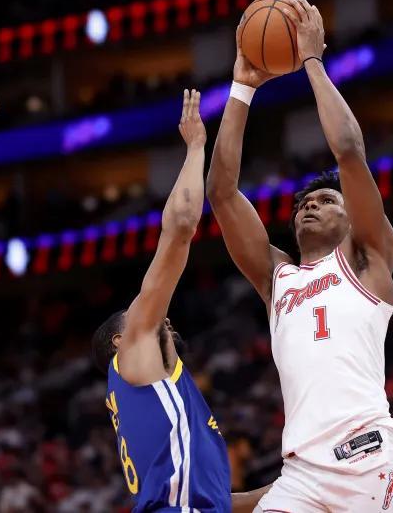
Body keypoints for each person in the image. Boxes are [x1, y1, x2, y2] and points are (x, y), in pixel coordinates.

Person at [207, 0, 393, 513]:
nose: (310, 206)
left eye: (327, 201)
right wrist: (242, 88)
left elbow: (348, 150)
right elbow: (221, 193)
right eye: (304, 203)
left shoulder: (368, 258)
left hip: (372, 457)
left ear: (352, 217)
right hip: (301, 475)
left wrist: (311, 62)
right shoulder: (276, 278)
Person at [92, 90, 268, 513]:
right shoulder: (134, 352)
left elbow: (214, 502)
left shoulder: (158, 397)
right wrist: (195, 147)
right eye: (137, 315)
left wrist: (294, 488)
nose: (159, 317)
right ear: (120, 341)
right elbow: (181, 226)